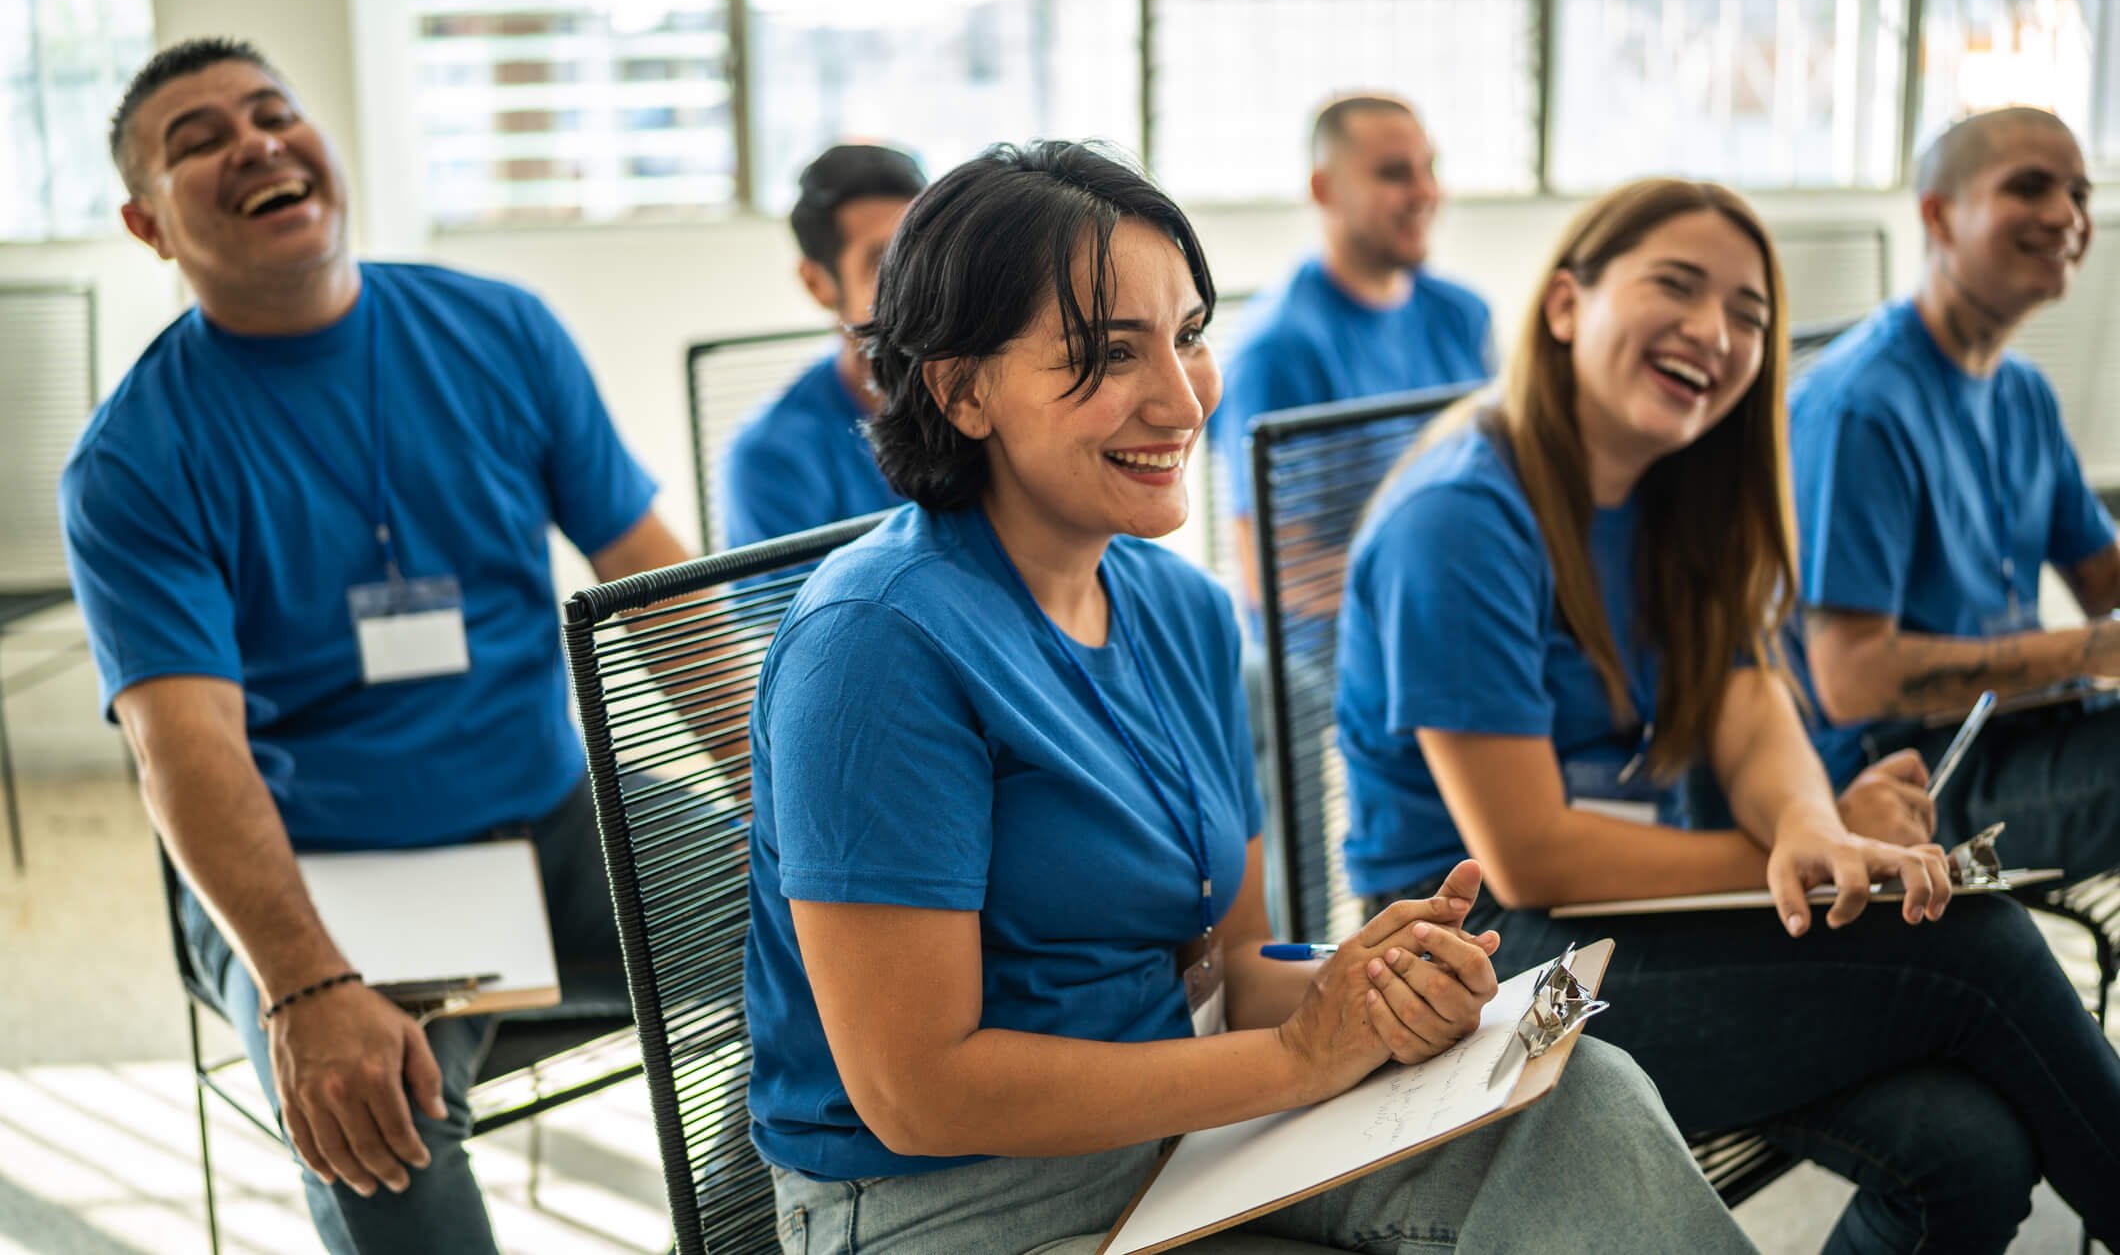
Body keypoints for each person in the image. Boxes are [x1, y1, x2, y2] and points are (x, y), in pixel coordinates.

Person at [742, 141, 1752, 1254]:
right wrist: (1294, 1061)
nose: (1181, 399)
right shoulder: (876, 642)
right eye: (1105, 352)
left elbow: (1233, 960)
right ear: (958, 388)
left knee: (1579, 1095)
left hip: (1185, 1122)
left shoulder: (1179, 608)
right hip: (963, 1198)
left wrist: (1367, 989)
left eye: (1184, 337)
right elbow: (915, 1089)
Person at [1335, 177, 2120, 1251]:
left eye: (1748, 317)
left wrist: (1808, 822)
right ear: (1564, 303)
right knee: (1972, 945)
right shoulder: (1461, 516)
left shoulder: (1678, 490)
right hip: (1482, 983)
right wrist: (1792, 853)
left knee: (1965, 1150)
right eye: (1676, 286)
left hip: (1628, 923)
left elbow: (1746, 699)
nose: (1714, 332)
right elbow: (1529, 860)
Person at [60, 37, 693, 1255]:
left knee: (830, 933)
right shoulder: (136, 458)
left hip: (553, 809)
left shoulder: (500, 330)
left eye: (272, 111)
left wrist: (789, 807)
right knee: (375, 1127)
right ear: (150, 226)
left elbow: (656, 594)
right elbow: (185, 752)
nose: (251, 142)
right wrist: (301, 982)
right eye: (198, 141)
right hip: (326, 868)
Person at [1788, 107, 2120, 879]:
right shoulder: (1859, 406)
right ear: (1938, 214)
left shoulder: (2023, 393)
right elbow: (1850, 680)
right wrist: (2089, 648)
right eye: (2030, 188)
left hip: (2031, 732)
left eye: (2078, 191)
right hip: (1907, 777)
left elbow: (2105, 578)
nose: (2067, 215)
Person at [1210, 94, 1494, 615]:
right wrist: (1455, 573)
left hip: (1454, 611)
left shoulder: (1464, 315)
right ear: (1325, 189)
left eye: (1429, 168)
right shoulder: (1279, 350)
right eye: (1394, 174)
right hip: (1333, 660)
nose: (1425, 193)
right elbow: (1275, 575)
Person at [720, 143, 924, 548]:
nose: (917, 283)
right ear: (817, 284)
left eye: (924, 252)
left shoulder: (985, 405)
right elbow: (789, 613)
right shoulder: (773, 459)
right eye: (882, 263)